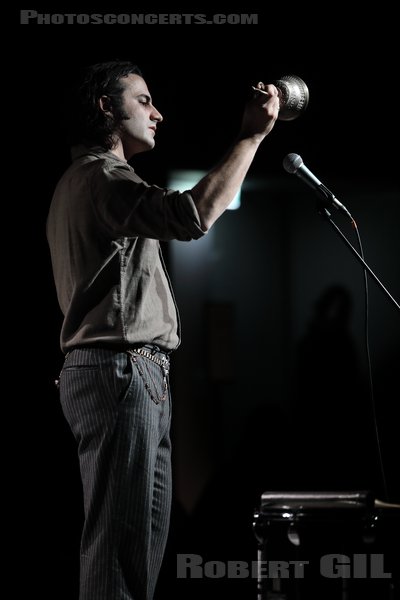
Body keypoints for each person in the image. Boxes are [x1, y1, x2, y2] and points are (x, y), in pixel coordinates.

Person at [46, 59, 280, 600]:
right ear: (106, 107)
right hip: (120, 370)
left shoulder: (76, 184)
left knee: (134, 551)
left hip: (116, 371)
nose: (158, 111)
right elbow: (192, 215)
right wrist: (251, 137)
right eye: (143, 99)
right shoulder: (103, 177)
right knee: (120, 557)